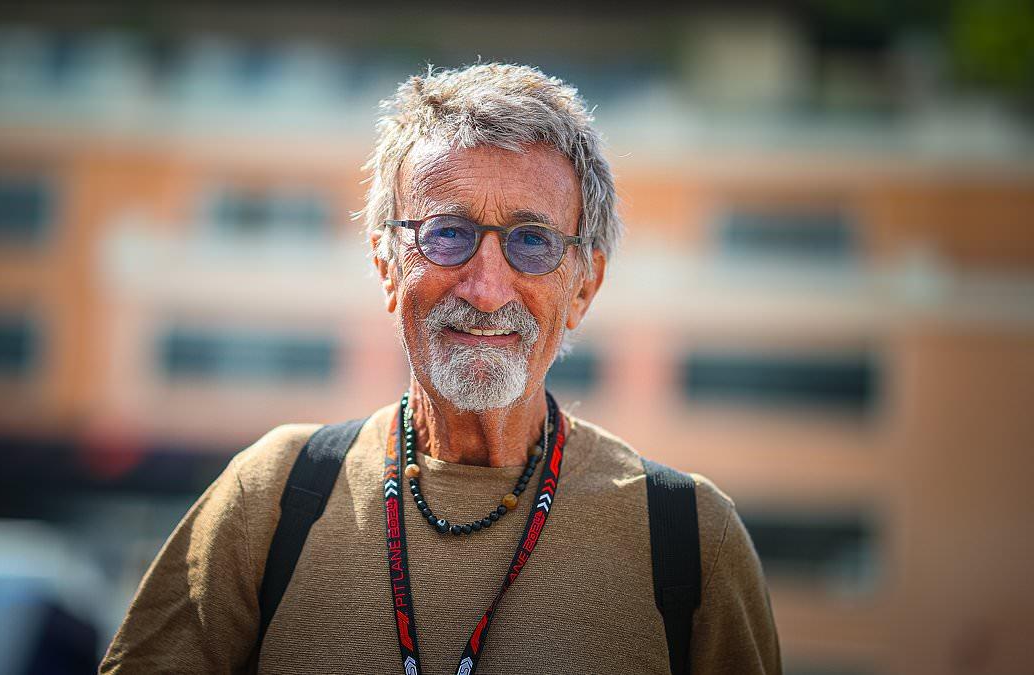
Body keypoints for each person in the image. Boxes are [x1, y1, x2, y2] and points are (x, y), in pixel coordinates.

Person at [101, 63, 781, 674]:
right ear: (386, 265)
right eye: (447, 233)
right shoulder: (272, 498)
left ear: (583, 286)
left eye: (532, 241)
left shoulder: (689, 537)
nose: (485, 289)